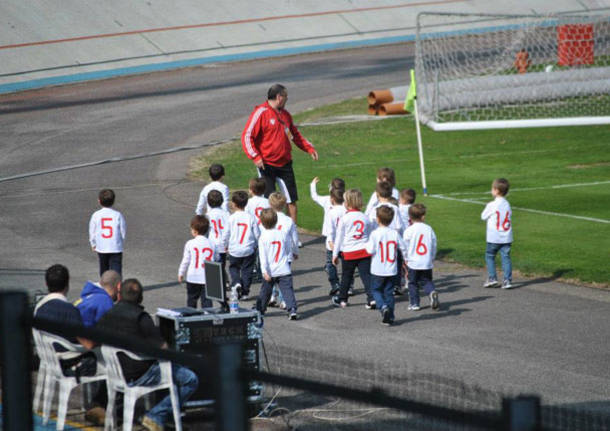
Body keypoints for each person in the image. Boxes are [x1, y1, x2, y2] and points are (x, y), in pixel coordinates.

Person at [97, 279, 198, 431]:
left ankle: (156, 415)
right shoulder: (141, 318)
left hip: (116, 372)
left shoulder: (108, 314)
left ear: (120, 295)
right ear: (141, 297)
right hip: (140, 373)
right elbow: (162, 349)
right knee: (190, 379)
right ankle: (156, 415)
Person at [241, 84, 319, 227]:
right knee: (269, 202)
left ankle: (292, 234)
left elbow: (294, 135)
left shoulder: (285, 115)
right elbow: (247, 136)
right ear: (279, 97)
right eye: (286, 96)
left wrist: (309, 148)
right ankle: (269, 231)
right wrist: (255, 156)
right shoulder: (261, 112)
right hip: (267, 165)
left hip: (285, 164)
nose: (287, 99)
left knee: (291, 201)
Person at [365, 206, 408, 326]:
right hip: (391, 269)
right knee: (389, 292)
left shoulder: (375, 234)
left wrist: (366, 245)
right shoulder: (394, 233)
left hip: (378, 269)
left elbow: (369, 250)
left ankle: (383, 307)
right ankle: (390, 316)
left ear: (378, 219)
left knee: (376, 290)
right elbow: (403, 247)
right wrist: (406, 259)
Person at [331, 189, 373, 309]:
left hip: (349, 253)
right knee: (367, 276)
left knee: (346, 276)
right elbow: (369, 235)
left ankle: (342, 299)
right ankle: (372, 298)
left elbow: (339, 237)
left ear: (347, 203)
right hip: (364, 252)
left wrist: (335, 254)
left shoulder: (345, 218)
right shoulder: (365, 217)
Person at [256, 208, 299, 320]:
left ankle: (260, 310)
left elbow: (263, 257)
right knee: (287, 290)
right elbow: (287, 248)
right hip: (283, 268)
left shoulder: (263, 237)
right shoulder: (282, 234)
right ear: (276, 220)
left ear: (262, 222)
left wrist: (264, 271)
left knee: (265, 292)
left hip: (270, 270)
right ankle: (292, 309)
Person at [403, 204, 439, 311]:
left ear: (410, 217)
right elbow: (434, 244)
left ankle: (415, 303)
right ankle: (431, 291)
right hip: (426, 261)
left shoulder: (409, 230)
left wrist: (405, 258)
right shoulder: (429, 229)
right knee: (427, 280)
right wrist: (432, 257)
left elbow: (405, 246)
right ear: (423, 216)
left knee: (413, 283)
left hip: (413, 262)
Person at [178, 215, 219, 308]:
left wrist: (181, 272)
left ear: (195, 231)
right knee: (207, 301)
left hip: (193, 276)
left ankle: (191, 319)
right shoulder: (212, 244)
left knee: (191, 300)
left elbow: (186, 260)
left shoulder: (190, 243)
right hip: (208, 277)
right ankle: (207, 319)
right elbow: (217, 258)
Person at [227, 191, 260, 299]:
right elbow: (257, 234)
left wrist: (225, 245)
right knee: (247, 271)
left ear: (233, 204)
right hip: (248, 248)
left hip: (234, 249)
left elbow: (226, 233)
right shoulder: (251, 217)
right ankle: (245, 292)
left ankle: (236, 282)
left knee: (234, 268)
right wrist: (256, 244)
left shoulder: (231, 218)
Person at [481, 178, 513, 289]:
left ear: (496, 190)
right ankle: (507, 280)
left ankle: (492, 278)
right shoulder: (507, 204)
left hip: (494, 237)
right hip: (506, 236)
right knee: (506, 257)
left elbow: (483, 216)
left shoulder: (492, 205)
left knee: (490, 256)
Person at [89, 189, 126, 276]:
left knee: (103, 268)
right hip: (115, 246)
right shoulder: (117, 215)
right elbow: (123, 230)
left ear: (99, 201)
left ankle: (105, 285)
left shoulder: (96, 215)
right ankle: (117, 286)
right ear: (113, 201)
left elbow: (92, 231)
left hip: (102, 246)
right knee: (116, 267)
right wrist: (121, 241)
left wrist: (93, 243)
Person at [205, 190, 230, 287]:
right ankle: (223, 282)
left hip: (212, 243)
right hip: (222, 244)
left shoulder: (208, 215)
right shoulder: (226, 214)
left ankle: (216, 283)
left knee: (212, 263)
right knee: (221, 264)